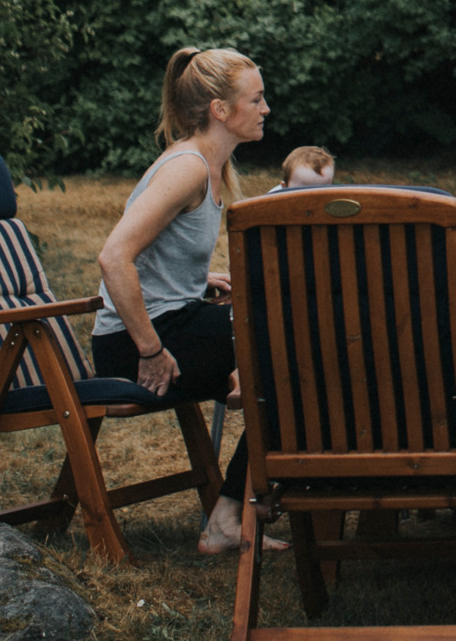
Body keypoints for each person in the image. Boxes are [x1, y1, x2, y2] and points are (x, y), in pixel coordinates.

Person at [92, 46, 279, 555]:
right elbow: (114, 257)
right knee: (290, 357)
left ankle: (239, 504)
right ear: (220, 109)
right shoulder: (187, 168)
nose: (266, 109)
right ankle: (230, 514)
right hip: (135, 348)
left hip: (175, 321)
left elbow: (155, 262)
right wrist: (151, 352)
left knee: (288, 345)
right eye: (256, 99)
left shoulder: (213, 168)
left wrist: (198, 281)